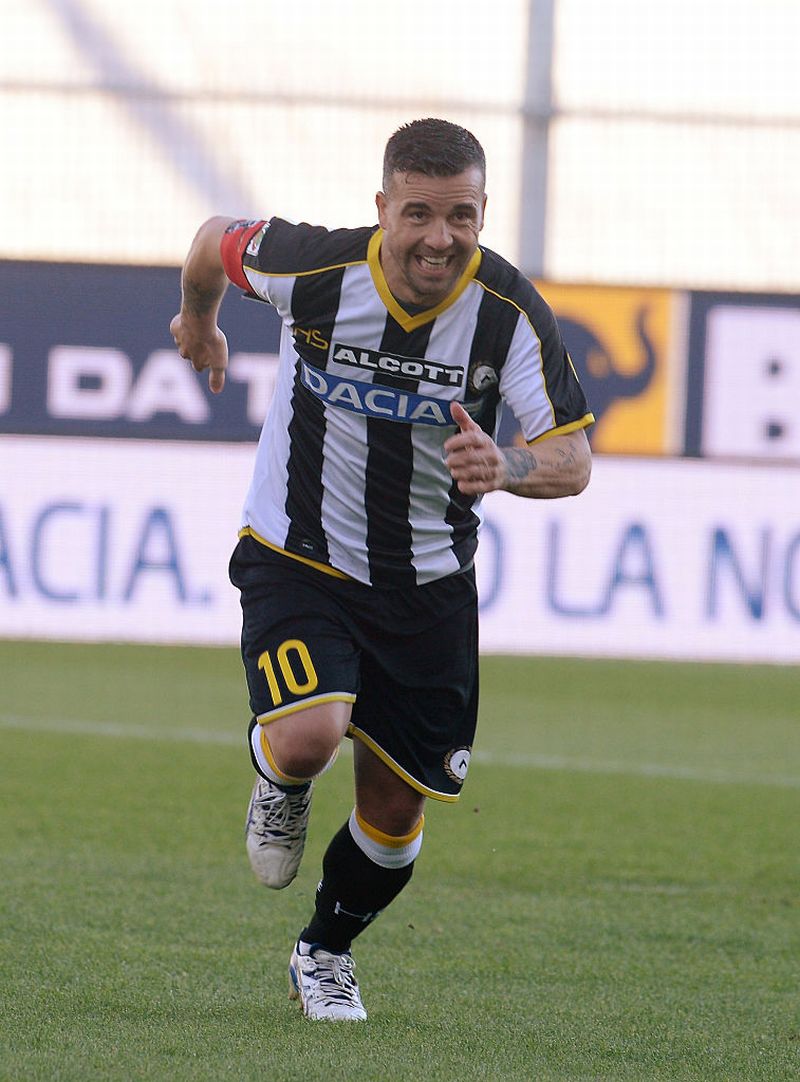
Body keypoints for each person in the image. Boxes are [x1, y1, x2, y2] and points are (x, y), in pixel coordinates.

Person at [170, 117, 593, 1022]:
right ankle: (282, 781)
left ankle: (324, 952)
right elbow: (211, 242)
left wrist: (507, 465)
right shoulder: (311, 268)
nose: (440, 238)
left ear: (483, 213)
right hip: (299, 555)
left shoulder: (509, 314)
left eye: (461, 216)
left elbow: (573, 457)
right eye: (419, 214)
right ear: (383, 208)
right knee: (309, 736)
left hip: (428, 587)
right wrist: (197, 320)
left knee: (397, 817)